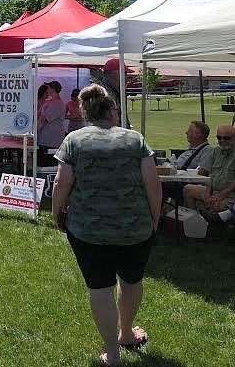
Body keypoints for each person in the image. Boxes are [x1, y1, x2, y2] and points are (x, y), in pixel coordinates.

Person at [51, 84, 161, 366]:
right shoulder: (136, 140)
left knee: (99, 288)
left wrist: (57, 214)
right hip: (135, 229)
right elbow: (153, 184)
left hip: (87, 230)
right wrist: (154, 219)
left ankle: (112, 352)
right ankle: (126, 333)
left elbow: (61, 183)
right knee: (132, 280)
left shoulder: (74, 141)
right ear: (112, 110)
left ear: (86, 113)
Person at [183, 125, 235, 221]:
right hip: (216, 191)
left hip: (234, 194)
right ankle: (194, 222)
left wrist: (222, 195)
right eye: (219, 137)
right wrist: (207, 196)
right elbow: (210, 176)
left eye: (226, 138)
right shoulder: (216, 151)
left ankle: (213, 226)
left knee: (218, 205)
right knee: (188, 189)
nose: (222, 140)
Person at [36, 81, 67, 166]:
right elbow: (39, 117)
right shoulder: (49, 102)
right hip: (44, 140)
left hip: (51, 141)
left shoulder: (58, 103)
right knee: (41, 164)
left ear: (53, 89)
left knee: (48, 166)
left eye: (48, 88)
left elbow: (43, 121)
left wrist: (33, 133)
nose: (47, 90)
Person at [99, 58, 130, 128]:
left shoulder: (115, 90)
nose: (126, 77)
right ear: (113, 74)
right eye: (124, 73)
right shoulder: (104, 93)